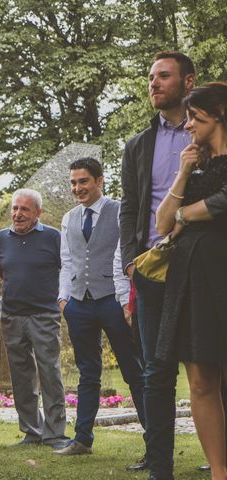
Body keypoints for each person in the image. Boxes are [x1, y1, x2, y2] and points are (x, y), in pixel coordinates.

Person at [119, 51, 225, 480]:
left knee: (213, 364)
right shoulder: (138, 145)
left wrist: (184, 215)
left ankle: (217, 458)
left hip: (208, 267)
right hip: (157, 269)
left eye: (163, 76)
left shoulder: (205, 135)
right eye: (150, 77)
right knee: (157, 371)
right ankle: (159, 466)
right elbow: (132, 209)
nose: (154, 84)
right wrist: (130, 262)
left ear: (188, 81)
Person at [154, 82, 227, 479]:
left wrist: (185, 217)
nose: (188, 128)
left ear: (217, 116)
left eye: (195, 119)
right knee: (200, 380)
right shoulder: (195, 165)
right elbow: (162, 222)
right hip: (192, 282)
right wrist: (183, 172)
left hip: (224, 277)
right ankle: (219, 472)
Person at [55, 158, 146, 456]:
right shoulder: (69, 218)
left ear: (99, 181)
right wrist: (63, 300)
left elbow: (125, 257)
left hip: (112, 301)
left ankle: (155, 439)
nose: (77, 188)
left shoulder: (120, 211)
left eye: (83, 181)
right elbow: (66, 262)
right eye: (73, 182)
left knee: (133, 369)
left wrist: (125, 301)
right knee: (88, 372)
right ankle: (82, 439)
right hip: (79, 304)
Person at [0, 188, 69, 449]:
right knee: (21, 378)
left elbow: (66, 269)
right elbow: (4, 272)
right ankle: (31, 431)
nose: (18, 214)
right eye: (15, 208)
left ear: (38, 213)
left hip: (44, 315)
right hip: (12, 317)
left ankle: (55, 433)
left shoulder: (53, 237)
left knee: (50, 374)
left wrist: (61, 301)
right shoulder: (1, 238)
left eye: (25, 209)